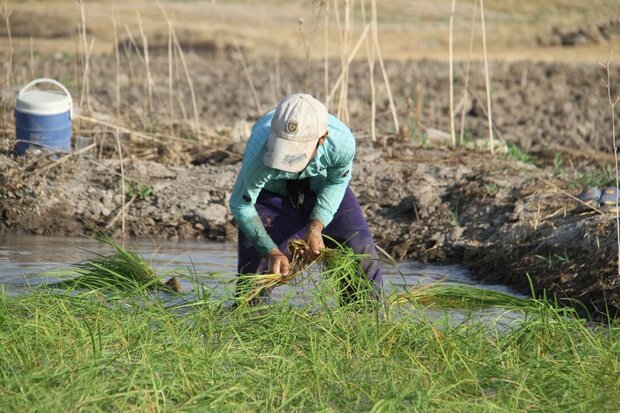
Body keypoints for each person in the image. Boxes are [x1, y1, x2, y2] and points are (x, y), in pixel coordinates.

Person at [229, 93, 383, 302]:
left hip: (321, 188)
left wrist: (316, 226)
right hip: (272, 192)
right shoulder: (259, 147)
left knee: (360, 249)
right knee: (254, 279)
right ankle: (251, 320)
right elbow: (241, 204)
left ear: (322, 139)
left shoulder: (342, 143)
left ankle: (365, 318)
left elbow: (337, 181)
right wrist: (271, 250)